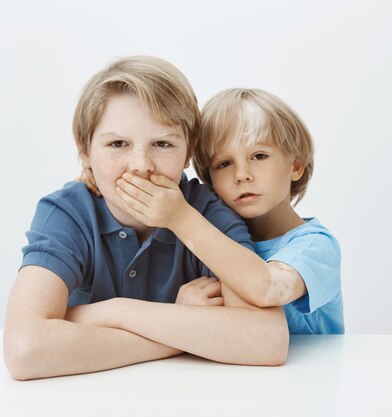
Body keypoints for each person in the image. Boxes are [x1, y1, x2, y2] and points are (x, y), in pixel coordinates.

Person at [3, 58, 289, 381]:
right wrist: (181, 329)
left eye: (163, 144)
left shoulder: (208, 212)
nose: (140, 165)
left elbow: (267, 341)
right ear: (85, 152)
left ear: (188, 153)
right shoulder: (67, 213)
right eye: (117, 144)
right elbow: (25, 348)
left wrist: (114, 312)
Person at [115, 88, 344, 334]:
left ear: (296, 166)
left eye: (259, 155)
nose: (241, 175)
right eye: (224, 164)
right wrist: (183, 311)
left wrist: (179, 217)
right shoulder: (209, 238)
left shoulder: (315, 246)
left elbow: (268, 288)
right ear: (209, 179)